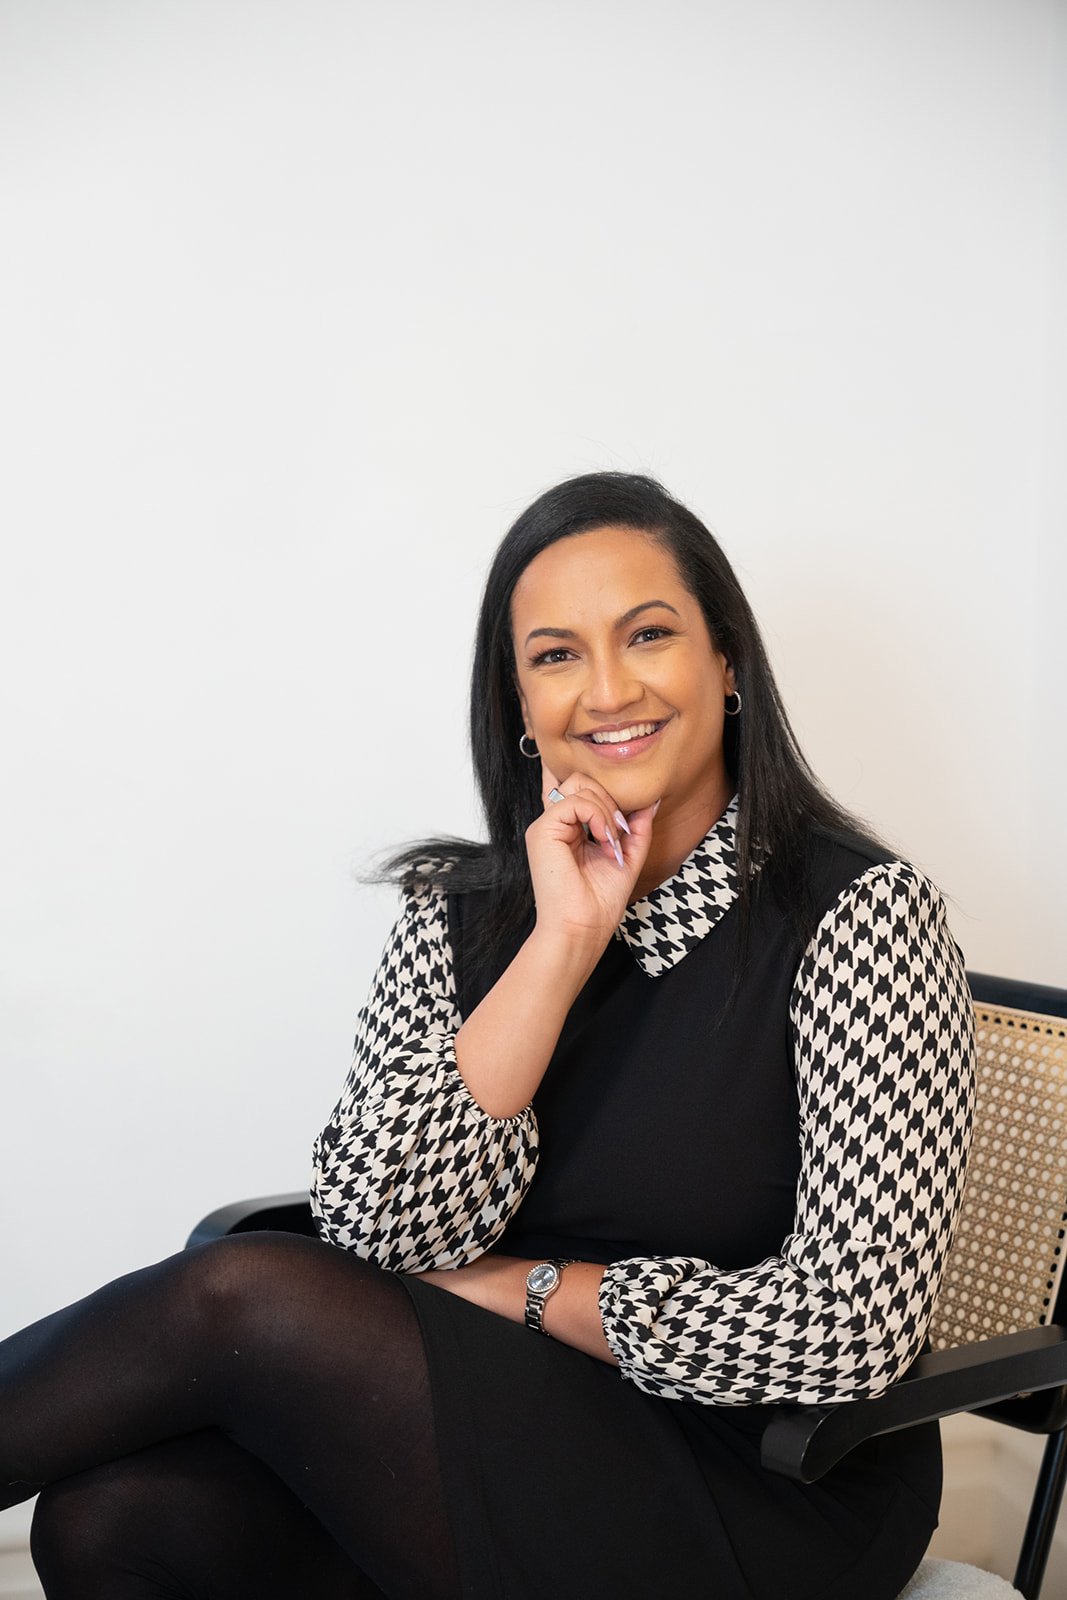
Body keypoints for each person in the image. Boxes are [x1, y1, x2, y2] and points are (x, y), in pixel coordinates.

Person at [1, 472, 975, 1600]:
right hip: (494, 1431)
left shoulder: (860, 916)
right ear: (518, 703)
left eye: (646, 635)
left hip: (760, 1481)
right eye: (556, 655)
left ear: (727, 665)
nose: (607, 688)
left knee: (242, 1290)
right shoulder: (463, 913)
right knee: (109, 1521)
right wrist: (558, 948)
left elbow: (851, 1326)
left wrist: (529, 1289)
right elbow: (379, 1229)